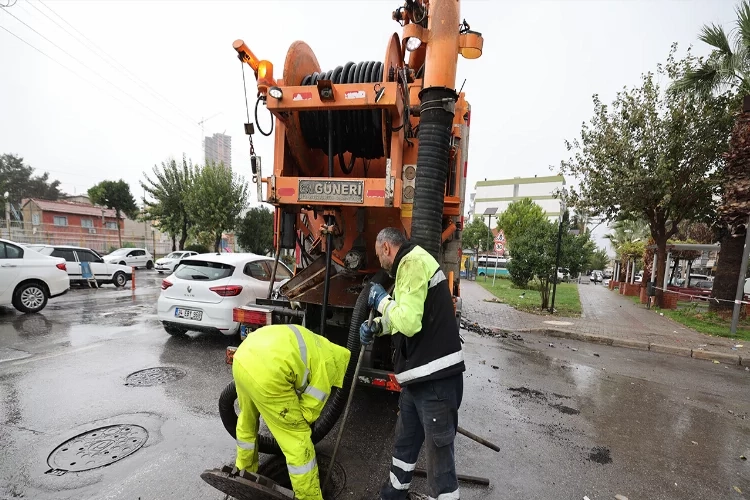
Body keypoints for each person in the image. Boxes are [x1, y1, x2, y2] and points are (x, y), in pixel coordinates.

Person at [360, 227, 465, 500]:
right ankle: (394, 493)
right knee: (404, 445)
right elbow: (402, 315)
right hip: (418, 381)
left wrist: (382, 301)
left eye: (377, 254)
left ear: (387, 248)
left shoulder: (412, 263)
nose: (379, 262)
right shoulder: (407, 267)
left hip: (436, 382)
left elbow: (408, 322)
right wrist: (379, 327)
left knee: (440, 464)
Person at [232, 323, 351, 500]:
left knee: (247, 421)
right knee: (298, 442)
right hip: (269, 374)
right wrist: (294, 423)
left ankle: (244, 471)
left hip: (242, 358)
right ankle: (308, 497)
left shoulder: (317, 344)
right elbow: (307, 413)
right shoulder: (330, 366)